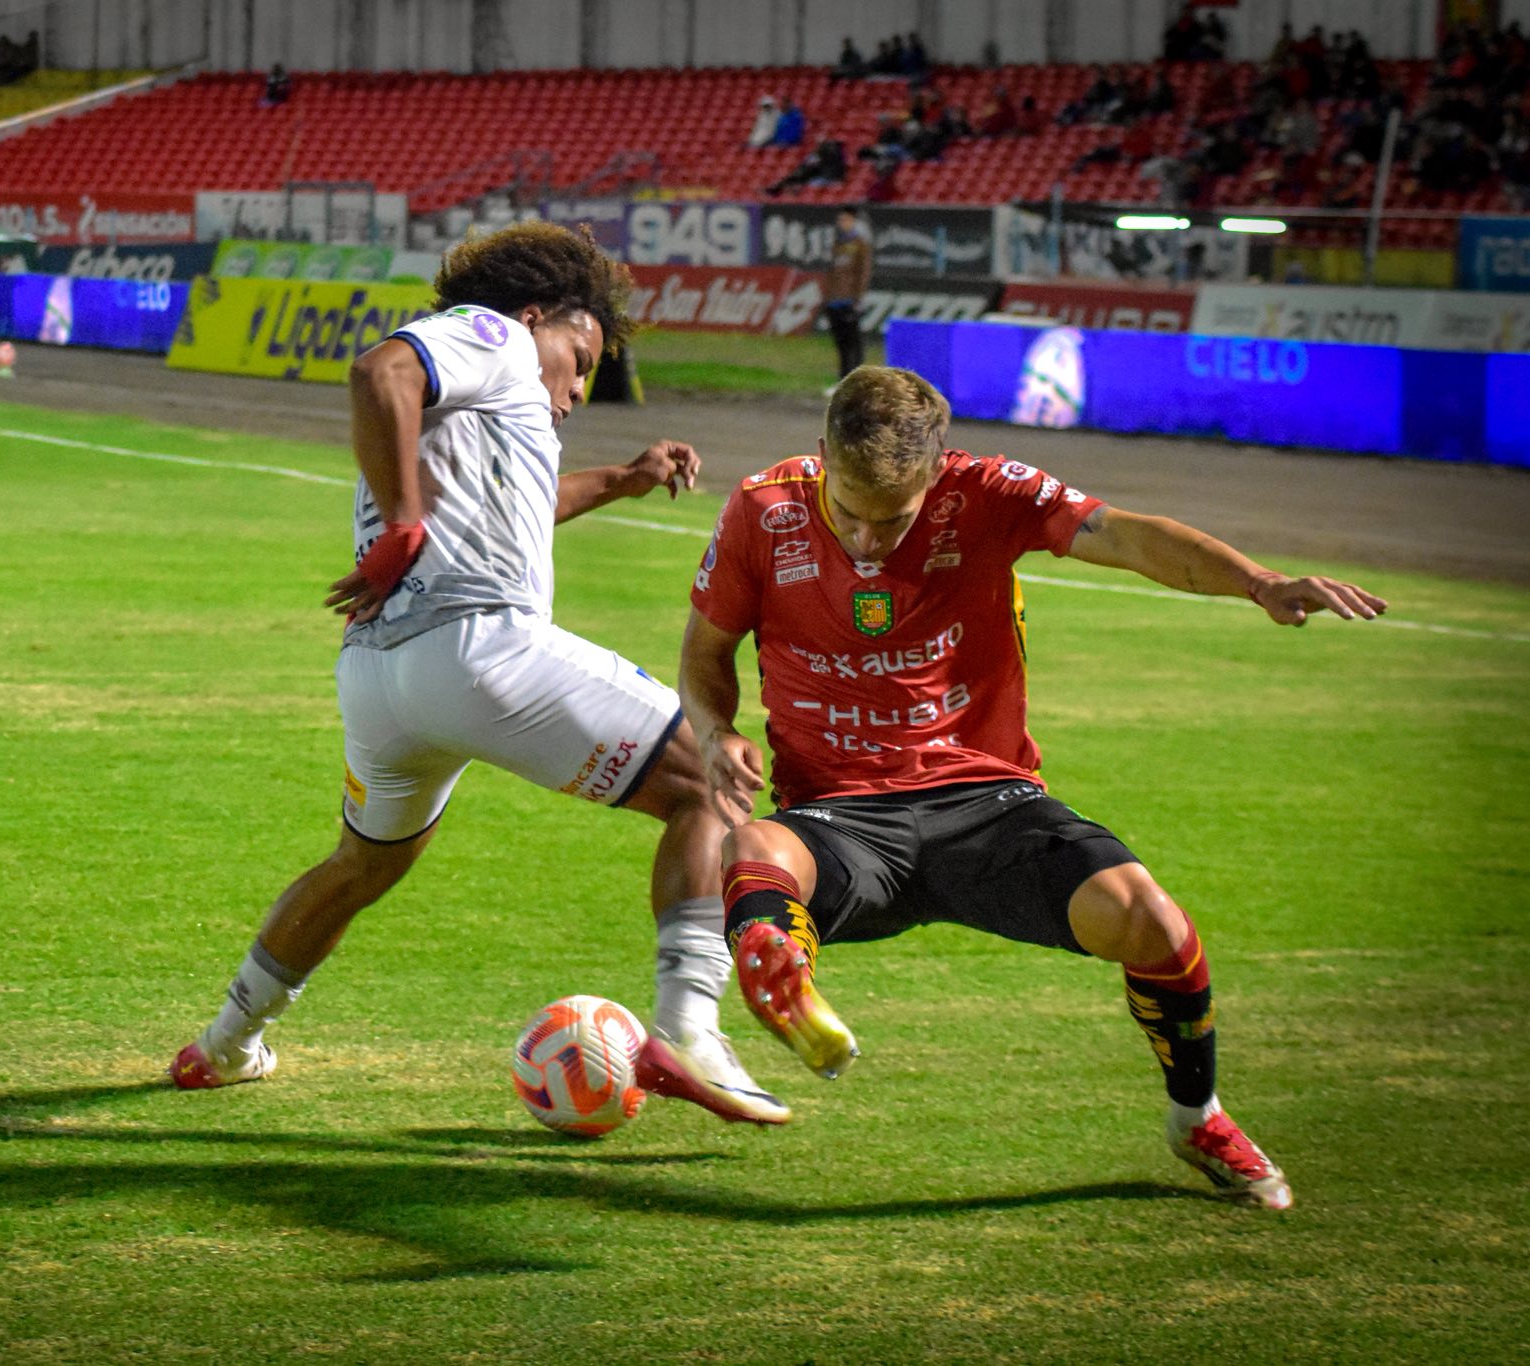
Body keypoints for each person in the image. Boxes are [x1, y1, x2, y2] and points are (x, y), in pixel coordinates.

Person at [680, 367, 1388, 1210]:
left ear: (937, 470)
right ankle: (780, 969)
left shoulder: (989, 492)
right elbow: (704, 655)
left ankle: (1196, 1116)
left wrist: (1259, 584)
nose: (867, 544)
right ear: (824, 454)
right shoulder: (764, 509)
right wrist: (717, 731)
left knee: (1152, 921)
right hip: (840, 818)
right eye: (850, 514)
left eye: (891, 520)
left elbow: (1127, 536)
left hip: (988, 805)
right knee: (754, 846)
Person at [171, 223, 789, 1127]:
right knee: (712, 780)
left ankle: (225, 1045)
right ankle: (689, 1029)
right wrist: (406, 524)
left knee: (361, 864)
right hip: (479, 650)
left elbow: (517, 503)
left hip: (383, 681)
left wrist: (622, 477)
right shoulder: (493, 335)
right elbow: (379, 370)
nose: (578, 388)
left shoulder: (491, 403)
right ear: (536, 316)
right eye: (579, 358)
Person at [821, 205, 872, 380]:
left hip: (849, 300)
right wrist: (827, 297)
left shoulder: (860, 245)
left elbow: (863, 273)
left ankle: (855, 380)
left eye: (846, 220)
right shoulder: (837, 244)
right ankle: (842, 380)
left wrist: (857, 298)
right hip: (834, 300)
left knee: (854, 343)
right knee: (841, 344)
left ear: (854, 222)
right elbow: (831, 273)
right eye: (840, 220)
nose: (842, 223)